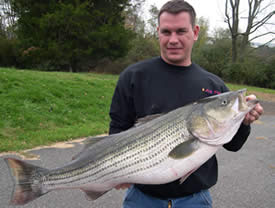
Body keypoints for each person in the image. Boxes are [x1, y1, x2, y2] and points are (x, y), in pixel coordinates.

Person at [108, 0, 264, 207]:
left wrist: (244, 122)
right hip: (141, 199)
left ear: (195, 31)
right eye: (166, 32)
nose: (173, 39)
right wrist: (116, 170)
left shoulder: (214, 85)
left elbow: (233, 145)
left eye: (181, 31)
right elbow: (117, 130)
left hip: (195, 200)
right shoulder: (133, 77)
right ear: (158, 32)